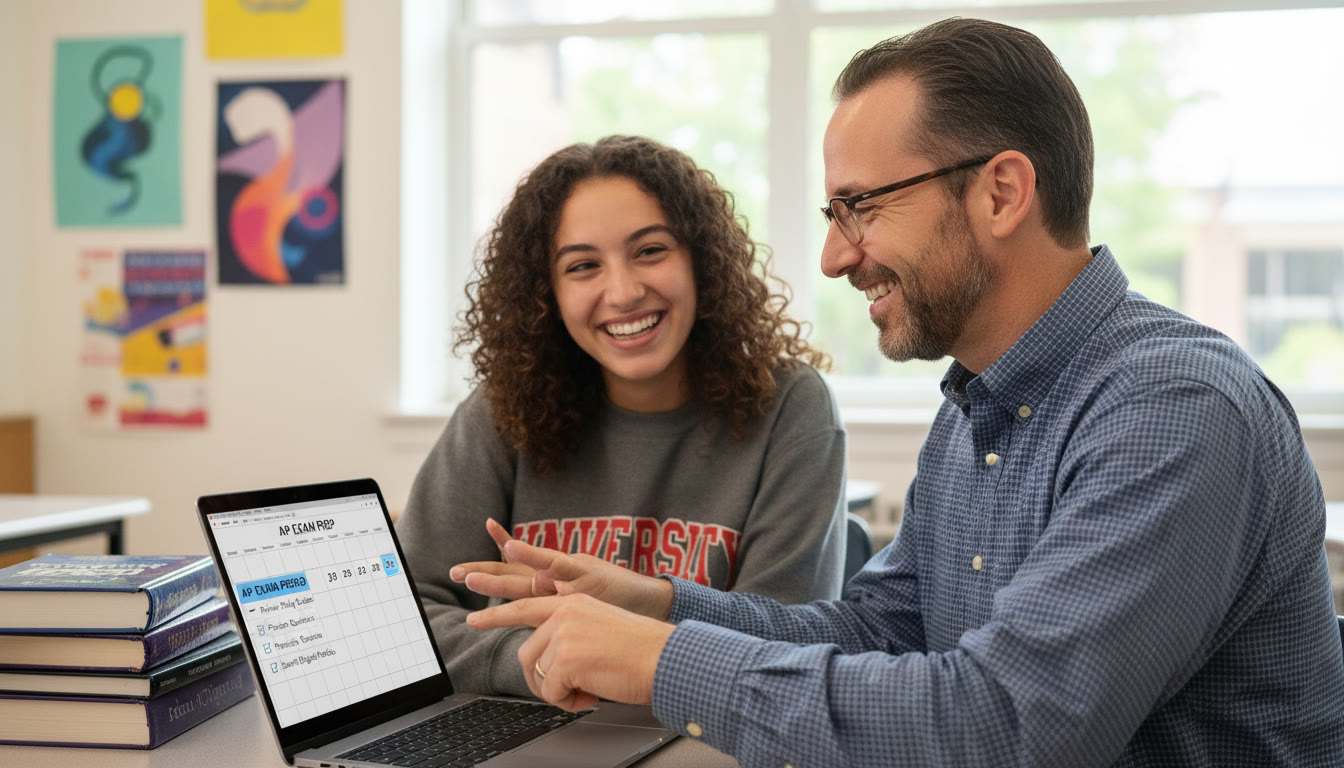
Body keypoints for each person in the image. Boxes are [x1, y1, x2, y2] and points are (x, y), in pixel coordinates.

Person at [455, 17, 1344, 767]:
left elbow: (1007, 726)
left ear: (1001, 192)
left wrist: (666, 660)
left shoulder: (1172, 411)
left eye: (863, 207)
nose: (838, 256)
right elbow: (889, 628)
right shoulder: (976, 409)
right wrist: (664, 605)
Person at [395, 135, 848, 697]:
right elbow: (400, 615)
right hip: (536, 724)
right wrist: (536, 663)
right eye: (583, 265)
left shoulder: (791, 406)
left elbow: (785, 643)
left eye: (650, 251)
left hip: (705, 734)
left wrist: (623, 659)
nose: (624, 291)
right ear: (547, 294)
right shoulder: (499, 410)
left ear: (700, 261)